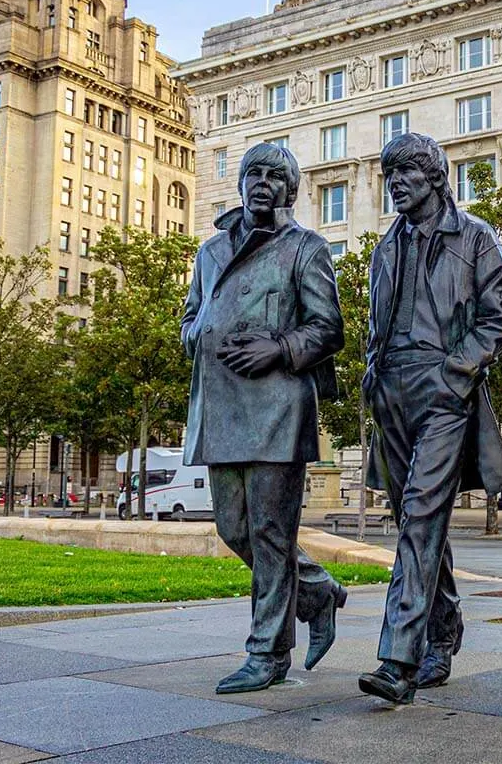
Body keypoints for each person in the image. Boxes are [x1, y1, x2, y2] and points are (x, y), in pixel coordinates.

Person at [181, 142, 347, 694]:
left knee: (271, 531)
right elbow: (190, 318)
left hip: (278, 405)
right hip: (221, 404)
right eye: (254, 173)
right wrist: (201, 337)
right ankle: (318, 590)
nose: (262, 183)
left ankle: (268, 652)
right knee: (233, 528)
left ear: (291, 190)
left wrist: (277, 347)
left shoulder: (306, 248)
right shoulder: (208, 252)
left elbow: (328, 329)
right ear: (241, 183)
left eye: (276, 177)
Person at [358, 133, 502, 704]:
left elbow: (501, 315)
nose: (395, 181)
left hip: (444, 389)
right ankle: (443, 631)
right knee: (414, 521)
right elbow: (375, 325)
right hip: (392, 394)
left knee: (424, 514)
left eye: (405, 171)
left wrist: (459, 372)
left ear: (434, 177)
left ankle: (397, 658)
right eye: (389, 173)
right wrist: (372, 375)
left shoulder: (474, 237)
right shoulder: (384, 248)